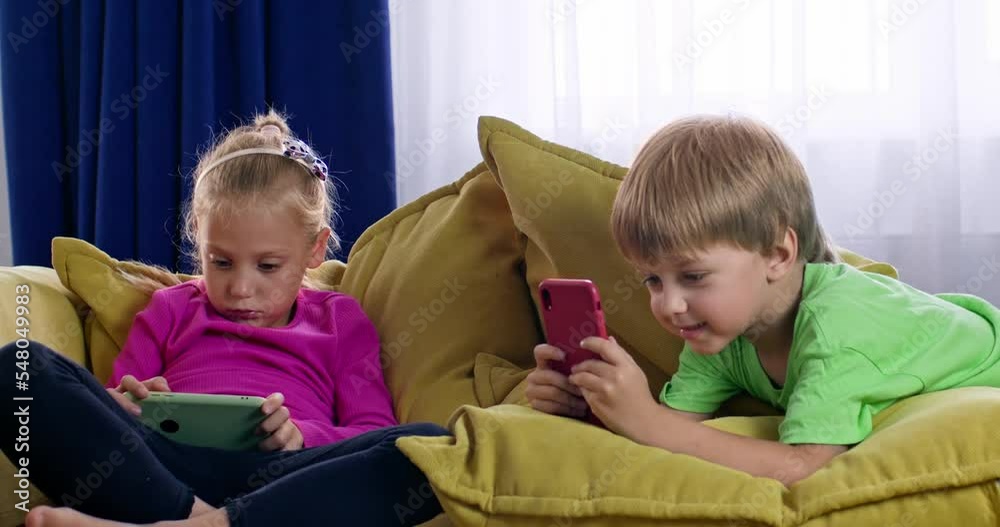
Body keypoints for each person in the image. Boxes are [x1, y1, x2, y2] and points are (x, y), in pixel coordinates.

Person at [0, 110, 448, 527]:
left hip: (286, 480)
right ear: (199, 235)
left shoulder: (339, 319)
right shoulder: (171, 307)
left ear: (315, 248)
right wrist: (131, 399)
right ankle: (197, 517)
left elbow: (372, 430)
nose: (240, 288)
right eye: (221, 262)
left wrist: (300, 434)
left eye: (268, 266)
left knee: (428, 446)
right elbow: (111, 412)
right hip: (164, 471)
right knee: (17, 368)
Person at [525, 114, 1000, 486]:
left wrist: (649, 422)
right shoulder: (718, 332)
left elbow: (806, 467)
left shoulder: (836, 328)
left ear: (778, 254)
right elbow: (672, 427)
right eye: (652, 279)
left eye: (692, 275)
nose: (669, 305)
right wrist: (591, 404)